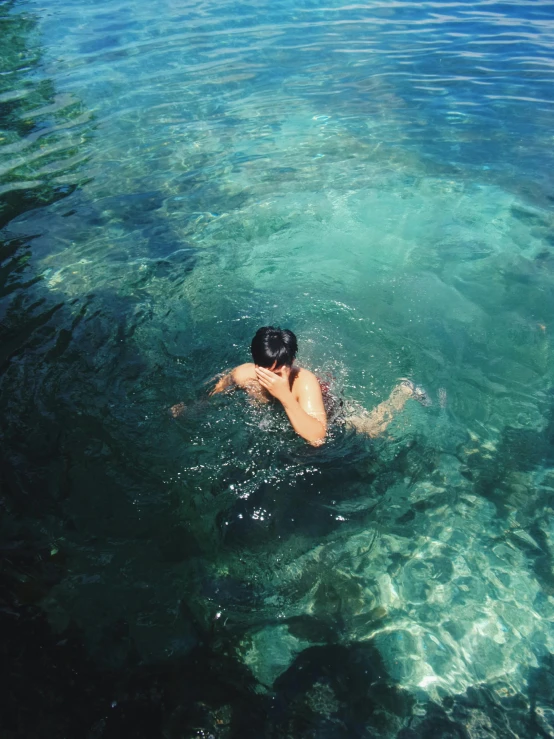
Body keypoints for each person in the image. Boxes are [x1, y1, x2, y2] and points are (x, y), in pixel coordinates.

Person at [207, 326, 428, 446]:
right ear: (256, 364)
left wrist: (285, 396)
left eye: (280, 371)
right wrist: (192, 408)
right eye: (265, 371)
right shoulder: (243, 374)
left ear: (291, 363)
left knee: (372, 430)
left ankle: (405, 391)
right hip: (290, 409)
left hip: (329, 410)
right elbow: (217, 391)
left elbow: (318, 437)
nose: (274, 379)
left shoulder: (305, 383)